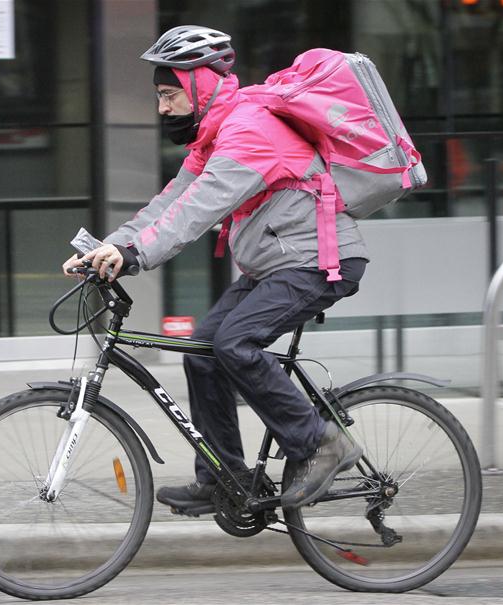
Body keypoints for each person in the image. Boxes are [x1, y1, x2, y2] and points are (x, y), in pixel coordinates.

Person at [62, 25, 368, 512]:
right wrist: (108, 247)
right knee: (203, 351)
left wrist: (135, 257)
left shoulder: (250, 130)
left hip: (317, 263)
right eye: (160, 95)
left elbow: (199, 209)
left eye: (169, 94)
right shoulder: (212, 138)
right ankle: (223, 478)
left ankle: (321, 443)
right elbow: (168, 202)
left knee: (235, 342)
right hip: (277, 265)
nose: (162, 107)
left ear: (201, 86)